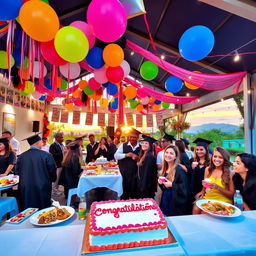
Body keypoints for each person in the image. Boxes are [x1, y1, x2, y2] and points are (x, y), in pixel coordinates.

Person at [16, 134, 56, 210]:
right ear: (37, 143)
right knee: (42, 207)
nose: (42, 144)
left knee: (27, 207)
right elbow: (52, 171)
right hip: (42, 185)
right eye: (41, 142)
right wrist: (52, 179)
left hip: (26, 186)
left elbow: (17, 171)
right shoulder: (47, 155)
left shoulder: (21, 156)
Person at [192, 147, 235, 214]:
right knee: (195, 208)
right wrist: (202, 194)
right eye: (215, 156)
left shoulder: (230, 173)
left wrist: (218, 187)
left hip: (222, 200)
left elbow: (231, 195)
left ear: (225, 159)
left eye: (220, 157)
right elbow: (205, 186)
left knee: (204, 212)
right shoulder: (208, 169)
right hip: (208, 198)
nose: (217, 159)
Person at [158, 145, 189, 216]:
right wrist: (161, 183)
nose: (168, 155)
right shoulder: (165, 168)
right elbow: (164, 187)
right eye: (167, 152)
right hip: (166, 197)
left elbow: (185, 189)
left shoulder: (179, 170)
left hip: (174, 201)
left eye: (171, 153)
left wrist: (172, 185)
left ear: (175, 156)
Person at [115, 128, 141, 199]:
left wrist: (138, 158)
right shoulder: (123, 145)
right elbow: (116, 156)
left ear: (138, 137)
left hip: (136, 174)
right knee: (124, 191)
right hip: (124, 173)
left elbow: (143, 160)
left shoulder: (141, 147)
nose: (132, 139)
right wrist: (126, 155)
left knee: (134, 192)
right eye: (130, 137)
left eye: (134, 137)